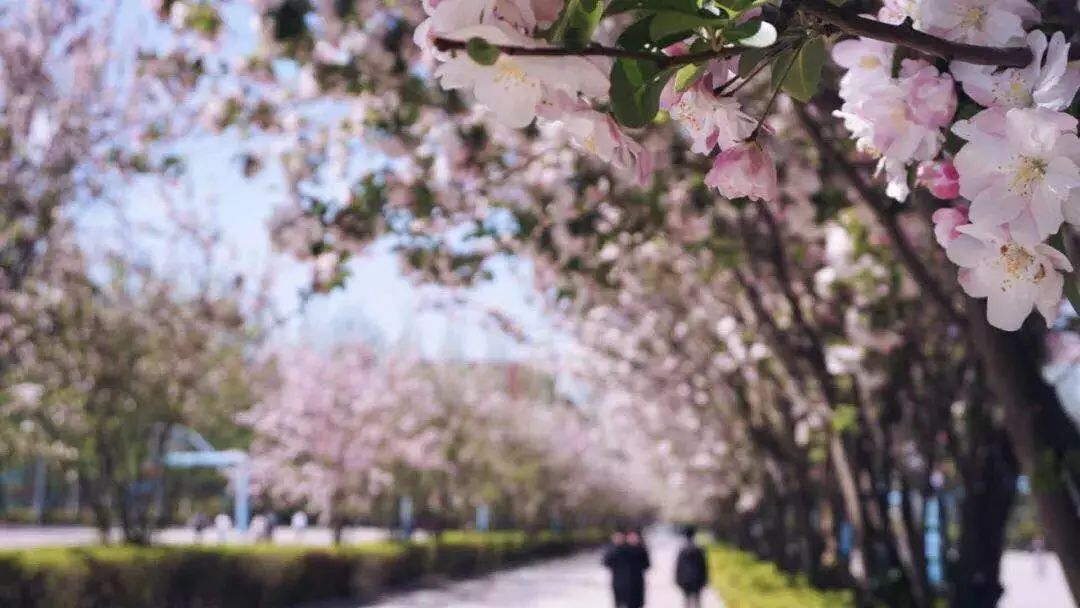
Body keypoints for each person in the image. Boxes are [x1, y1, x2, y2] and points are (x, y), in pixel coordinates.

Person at [603, 527, 651, 608]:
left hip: (637, 585)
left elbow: (647, 565)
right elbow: (606, 562)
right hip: (620, 585)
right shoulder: (616, 549)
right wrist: (616, 546)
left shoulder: (640, 549)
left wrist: (636, 546)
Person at [675, 525, 709, 608]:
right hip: (697, 580)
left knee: (687, 602)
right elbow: (704, 566)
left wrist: (678, 580)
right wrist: (704, 580)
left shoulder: (682, 550)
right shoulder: (699, 549)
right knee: (697, 601)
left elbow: (679, 567)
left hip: (686, 580)